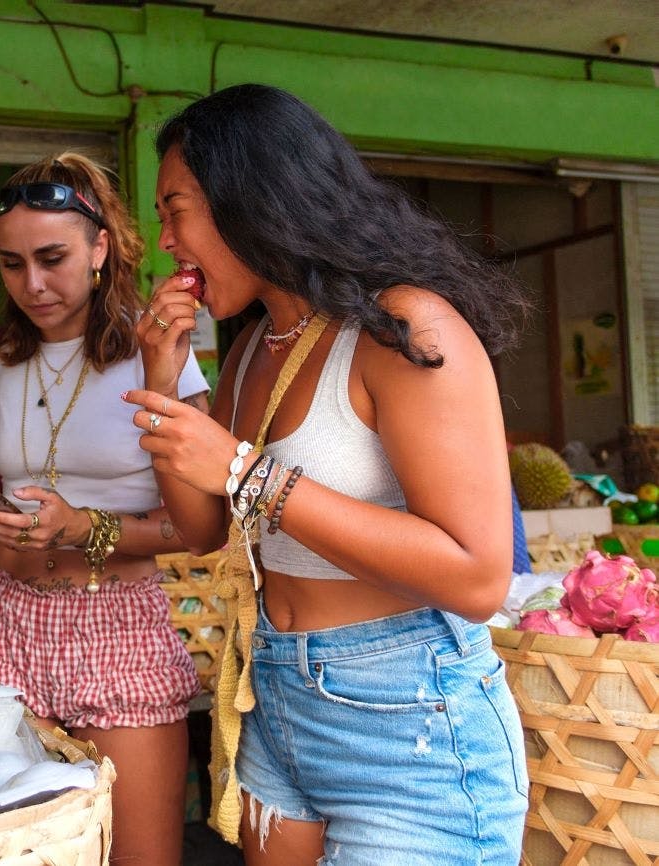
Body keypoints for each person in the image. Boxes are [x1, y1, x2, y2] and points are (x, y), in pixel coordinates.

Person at [124, 84, 534, 866]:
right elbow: (207, 529)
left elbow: (478, 575)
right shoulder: (252, 349)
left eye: (176, 210)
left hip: (406, 716)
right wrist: (164, 369)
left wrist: (247, 473)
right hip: (276, 698)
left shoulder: (402, 326)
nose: (166, 239)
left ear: (252, 198)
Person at [0, 153, 210, 866]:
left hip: (116, 629)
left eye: (53, 258)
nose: (34, 284)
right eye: (12, 264)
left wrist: (85, 526)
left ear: (100, 246)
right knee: (11, 853)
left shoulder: (157, 352)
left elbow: (201, 528)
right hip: (5, 624)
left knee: (137, 855)